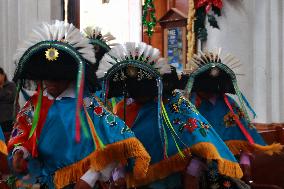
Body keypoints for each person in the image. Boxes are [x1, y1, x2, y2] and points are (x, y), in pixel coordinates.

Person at [7, 21, 150, 189]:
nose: (50, 83)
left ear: (70, 76)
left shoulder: (88, 105)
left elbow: (117, 144)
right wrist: (20, 151)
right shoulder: (35, 104)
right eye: (46, 77)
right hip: (43, 181)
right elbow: (21, 134)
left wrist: (89, 178)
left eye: (57, 78)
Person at [97, 42, 243, 189]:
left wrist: (194, 167)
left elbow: (199, 136)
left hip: (170, 180)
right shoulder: (123, 108)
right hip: (132, 179)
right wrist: (118, 172)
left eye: (141, 90)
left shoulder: (175, 105)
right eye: (133, 91)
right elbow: (116, 143)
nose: (137, 96)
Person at [187, 50, 283, 184]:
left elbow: (244, 132)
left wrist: (245, 160)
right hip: (201, 166)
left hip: (231, 165)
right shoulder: (190, 105)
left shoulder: (229, 103)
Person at [0, 67, 16, 134]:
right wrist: (5, 94)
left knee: (8, 138)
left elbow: (11, 98)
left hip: (8, 118)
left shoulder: (11, 85)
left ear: (3, 75)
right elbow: (6, 97)